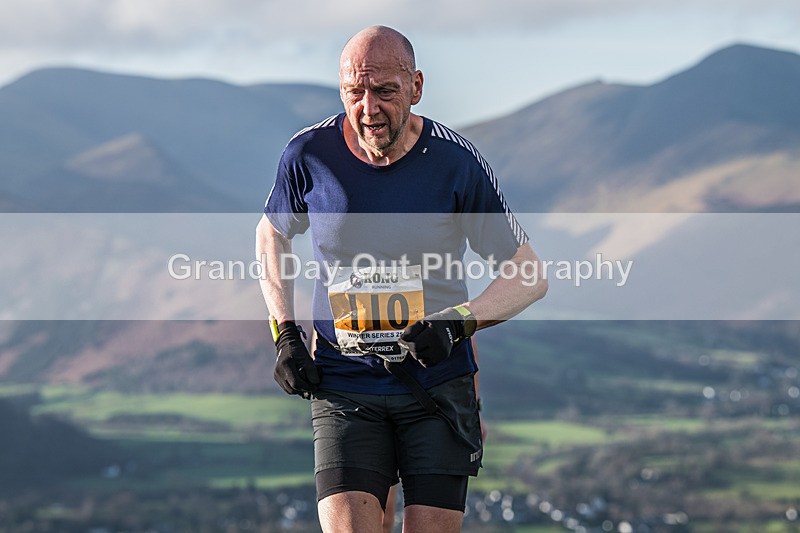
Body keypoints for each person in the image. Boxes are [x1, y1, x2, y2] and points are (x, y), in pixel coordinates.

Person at [256, 25, 547, 533]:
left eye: (385, 92)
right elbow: (270, 234)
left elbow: (529, 275)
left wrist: (456, 324)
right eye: (355, 93)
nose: (368, 108)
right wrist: (284, 333)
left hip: (435, 384)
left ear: (416, 87)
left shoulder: (455, 163)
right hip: (344, 384)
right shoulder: (310, 155)